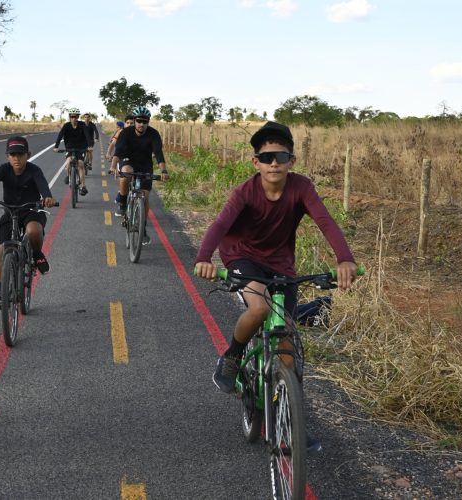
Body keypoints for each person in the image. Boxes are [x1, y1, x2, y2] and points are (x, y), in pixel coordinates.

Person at [193, 121, 357, 451]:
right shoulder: (245, 192)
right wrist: (204, 257)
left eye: (280, 156)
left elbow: (325, 220)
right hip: (242, 257)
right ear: (256, 162)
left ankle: (291, 421)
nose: (273, 163)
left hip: (280, 264)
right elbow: (220, 223)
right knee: (260, 307)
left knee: (286, 343)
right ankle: (233, 357)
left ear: (291, 160)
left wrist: (344, 259)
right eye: (266, 157)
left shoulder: (301, 188)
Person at [0, 136, 56, 308]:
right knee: (1, 250)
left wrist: (47, 197)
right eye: (12, 154)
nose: (16, 158)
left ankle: (36, 255)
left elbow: (43, 186)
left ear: (28, 154)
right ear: (7, 156)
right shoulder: (4, 170)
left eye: (20, 154)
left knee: (34, 231)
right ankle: (3, 293)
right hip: (10, 212)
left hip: (32, 211)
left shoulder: (34, 170)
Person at [112, 106, 168, 245]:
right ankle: (123, 202)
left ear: (148, 122)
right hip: (128, 159)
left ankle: (142, 228)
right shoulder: (126, 132)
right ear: (134, 121)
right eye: (139, 121)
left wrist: (164, 171)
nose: (141, 124)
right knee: (126, 173)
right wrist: (113, 166)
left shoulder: (153, 134)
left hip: (145, 164)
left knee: (145, 196)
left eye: (145, 121)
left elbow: (158, 153)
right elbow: (118, 151)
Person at [53, 107, 89, 196]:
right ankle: (69, 175)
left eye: (76, 116)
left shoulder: (82, 125)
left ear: (78, 117)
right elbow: (60, 135)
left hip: (81, 148)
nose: (74, 118)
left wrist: (90, 145)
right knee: (68, 162)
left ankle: (83, 186)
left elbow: (87, 135)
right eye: (72, 116)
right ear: (69, 117)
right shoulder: (66, 125)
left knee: (80, 164)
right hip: (69, 148)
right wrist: (56, 146)